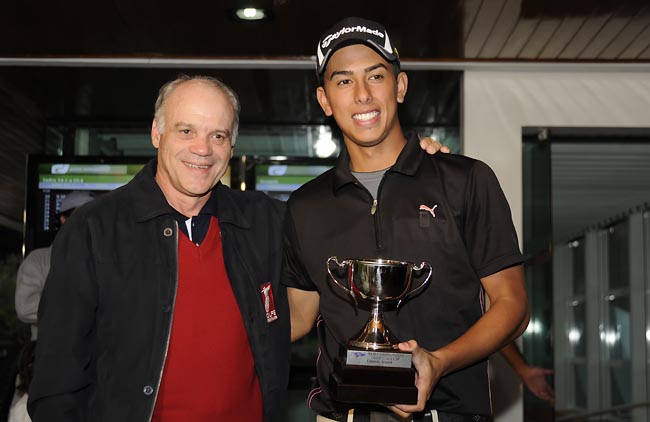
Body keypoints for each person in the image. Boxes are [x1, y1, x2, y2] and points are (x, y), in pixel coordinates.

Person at [283, 17, 530, 422]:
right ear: (325, 100)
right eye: (343, 81)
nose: (362, 95)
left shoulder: (464, 181)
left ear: (399, 87)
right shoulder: (305, 205)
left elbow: (514, 306)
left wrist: (439, 361)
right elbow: (297, 318)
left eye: (375, 76)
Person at [27, 75, 291, 421]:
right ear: (156, 133)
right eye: (186, 131)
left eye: (218, 135)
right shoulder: (95, 229)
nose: (203, 148)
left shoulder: (266, 222)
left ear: (231, 146)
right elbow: (56, 381)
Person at [15, 190, 95, 342]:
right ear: (64, 219)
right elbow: (25, 307)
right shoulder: (38, 260)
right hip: (50, 354)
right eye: (82, 216)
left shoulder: (106, 260)